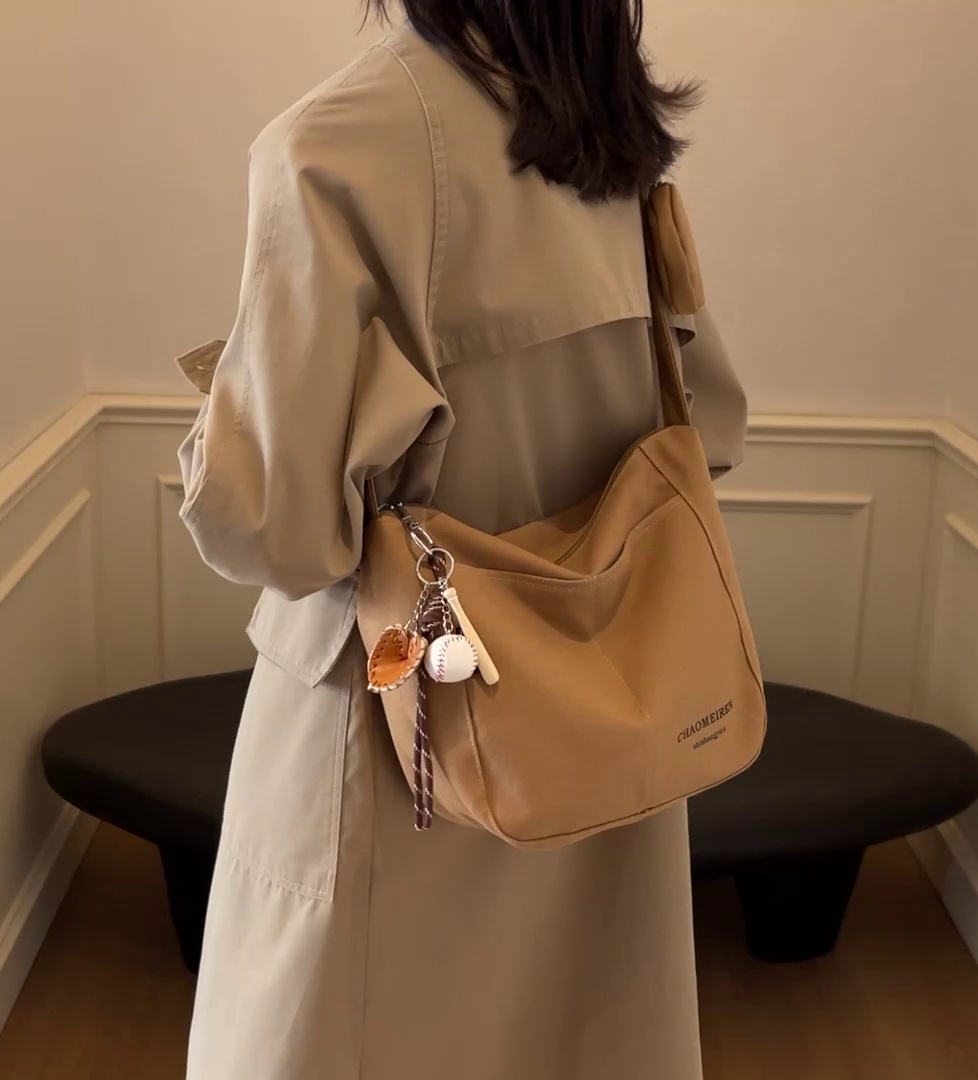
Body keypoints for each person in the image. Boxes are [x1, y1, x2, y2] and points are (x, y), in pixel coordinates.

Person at [176, 2, 748, 1077]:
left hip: (401, 732)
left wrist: (225, 416)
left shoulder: (331, 145)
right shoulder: (604, 133)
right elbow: (709, 424)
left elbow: (278, 532)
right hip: (607, 715)